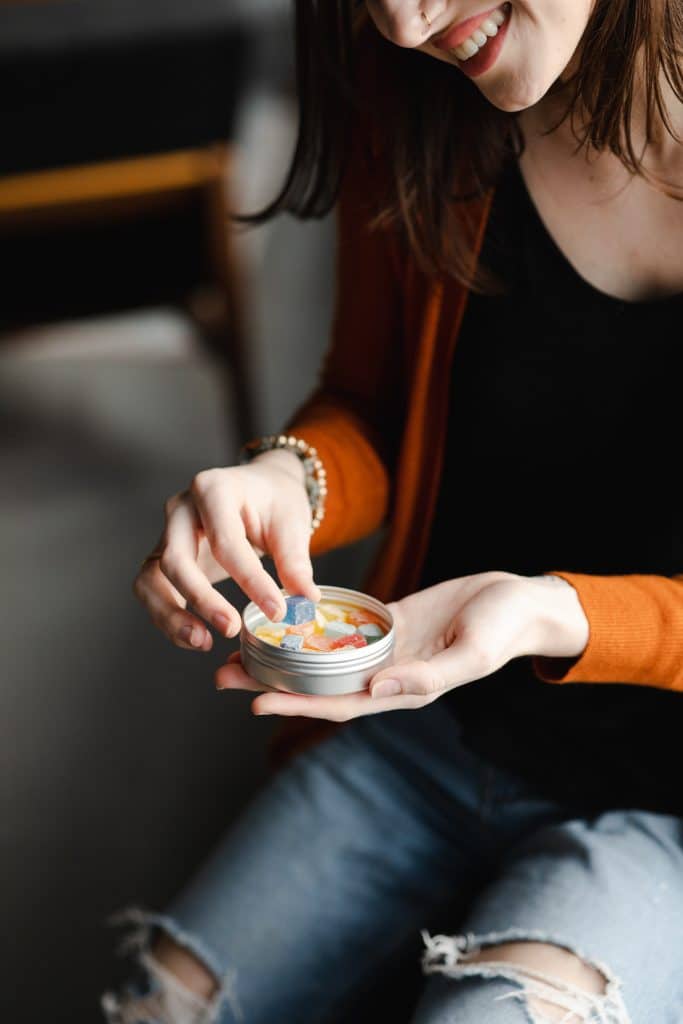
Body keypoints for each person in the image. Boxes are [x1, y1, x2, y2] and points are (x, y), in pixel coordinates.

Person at [103, 1, 683, 1021]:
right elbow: (372, 398)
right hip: (433, 727)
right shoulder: (413, 88)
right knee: (158, 1005)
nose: (407, 23)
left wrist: (554, 613)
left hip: (662, 806)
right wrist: (288, 478)